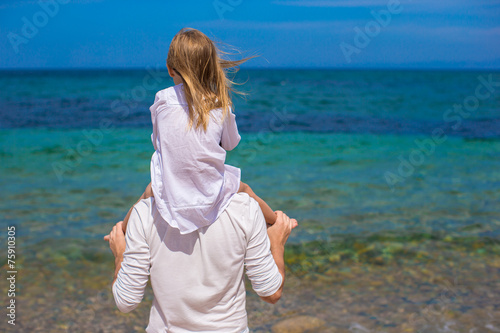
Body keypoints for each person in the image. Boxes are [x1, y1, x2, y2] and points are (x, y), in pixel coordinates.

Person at [120, 27, 278, 235]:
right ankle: (277, 223)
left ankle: (120, 231)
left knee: (148, 192)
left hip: (171, 191)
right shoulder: (219, 103)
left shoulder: (162, 99)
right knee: (246, 190)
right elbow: (231, 144)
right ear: (210, 68)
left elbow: (158, 144)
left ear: (170, 69)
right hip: (211, 190)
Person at [104, 193, 298, 332]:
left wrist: (121, 254)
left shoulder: (145, 212)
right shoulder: (245, 208)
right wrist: (276, 243)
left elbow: (126, 302)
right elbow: (271, 293)